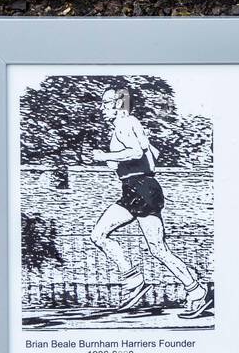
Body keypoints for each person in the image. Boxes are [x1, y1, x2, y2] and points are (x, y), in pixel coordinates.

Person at [89, 86, 211, 318]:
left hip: (141, 189)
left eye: (106, 103)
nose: (102, 107)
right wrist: (119, 164)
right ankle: (139, 281)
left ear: (117, 103)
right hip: (137, 189)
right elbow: (150, 155)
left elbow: (135, 152)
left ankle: (194, 290)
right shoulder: (132, 124)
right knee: (105, 236)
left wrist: (106, 156)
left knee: (154, 248)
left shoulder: (124, 124)